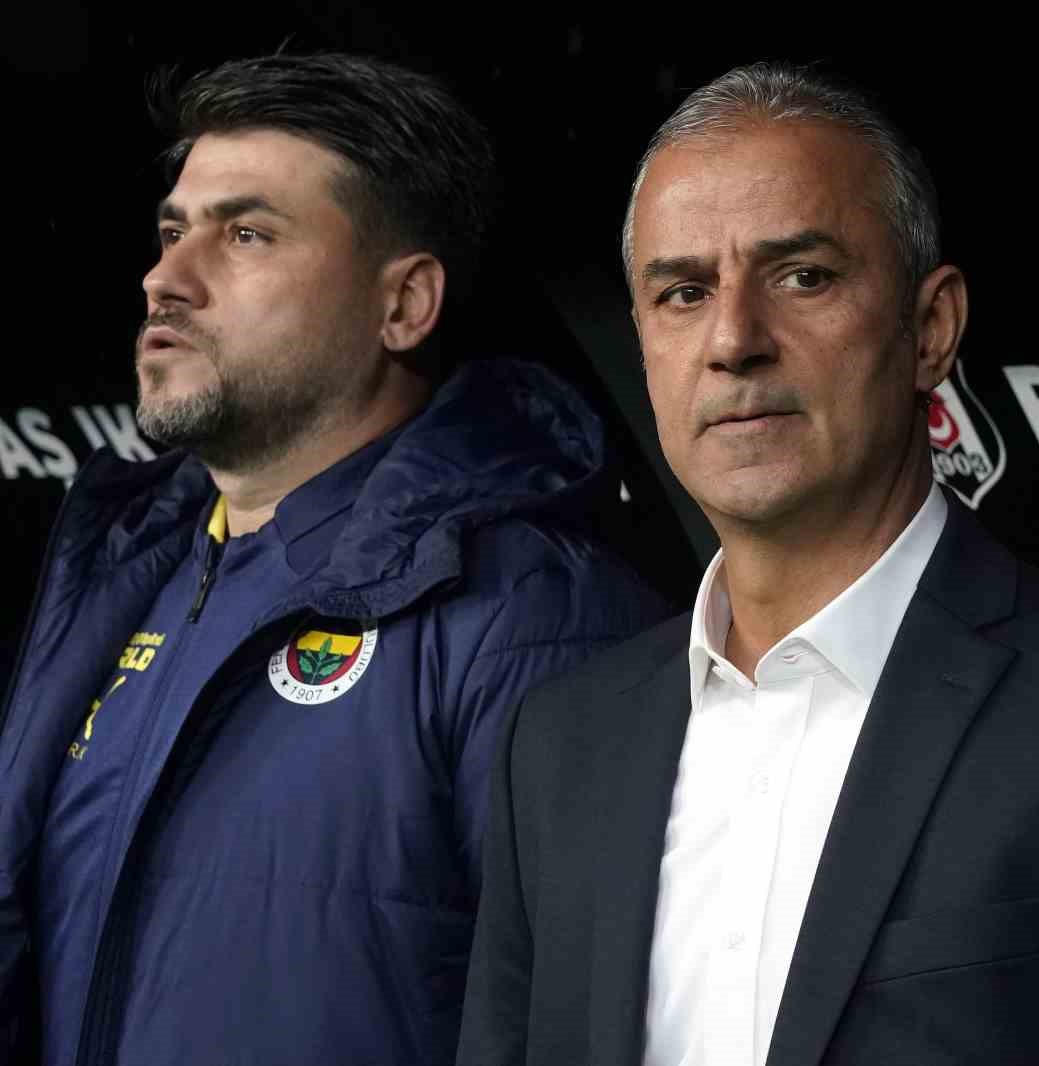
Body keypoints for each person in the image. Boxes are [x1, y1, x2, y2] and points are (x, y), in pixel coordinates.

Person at [458, 61, 1039, 1066]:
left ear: (931, 328)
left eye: (803, 276)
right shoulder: (560, 746)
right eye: (682, 293)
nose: (733, 340)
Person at [0, 52, 670, 1065]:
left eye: (246, 235)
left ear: (404, 305)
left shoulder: (532, 615)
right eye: (173, 233)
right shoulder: (117, 579)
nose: (165, 279)